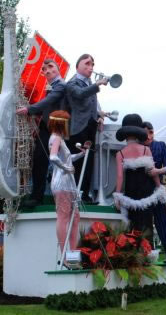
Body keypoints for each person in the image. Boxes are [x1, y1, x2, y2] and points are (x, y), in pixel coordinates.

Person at [16, 59, 67, 208]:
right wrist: (31, 110)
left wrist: (29, 109)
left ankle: (51, 196)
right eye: (44, 69)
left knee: (57, 162)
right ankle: (37, 196)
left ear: (58, 69)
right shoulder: (51, 87)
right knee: (39, 160)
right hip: (47, 128)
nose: (47, 70)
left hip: (58, 128)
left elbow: (49, 101)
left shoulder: (61, 86)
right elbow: (46, 106)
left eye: (51, 67)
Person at [113, 114, 166, 240]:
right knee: (146, 222)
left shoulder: (120, 153)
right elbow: (152, 170)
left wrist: (117, 196)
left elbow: (120, 176)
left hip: (131, 190)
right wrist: (160, 188)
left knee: (133, 223)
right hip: (146, 190)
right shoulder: (145, 150)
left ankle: (134, 252)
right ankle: (147, 252)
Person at [66, 54, 107, 204]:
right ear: (78, 66)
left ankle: (84, 195)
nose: (91, 67)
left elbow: (93, 106)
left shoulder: (89, 83)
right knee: (76, 161)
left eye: (92, 64)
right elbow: (80, 94)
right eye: (87, 63)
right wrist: (98, 84)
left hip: (90, 126)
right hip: (77, 128)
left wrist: (100, 117)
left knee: (88, 161)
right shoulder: (71, 83)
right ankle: (72, 195)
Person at [46, 110, 86, 257]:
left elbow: (66, 159)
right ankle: (65, 254)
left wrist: (81, 154)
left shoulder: (58, 139)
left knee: (75, 217)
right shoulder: (56, 138)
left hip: (67, 182)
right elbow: (53, 157)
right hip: (62, 181)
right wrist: (66, 168)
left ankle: (73, 252)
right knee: (64, 216)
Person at [143, 121, 166, 263]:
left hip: (157, 190)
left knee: (162, 222)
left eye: (150, 132)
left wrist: (158, 170)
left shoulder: (160, 146)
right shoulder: (137, 148)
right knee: (143, 224)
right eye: (146, 133)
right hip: (141, 191)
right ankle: (146, 255)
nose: (149, 136)